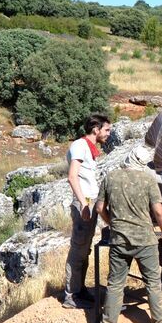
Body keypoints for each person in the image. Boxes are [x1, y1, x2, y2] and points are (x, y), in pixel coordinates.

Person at [95, 145, 162, 323]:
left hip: (119, 240)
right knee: (152, 283)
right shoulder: (148, 180)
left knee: (115, 283)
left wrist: (112, 223)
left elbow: (100, 207)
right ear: (143, 163)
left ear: (129, 157)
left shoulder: (111, 177)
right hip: (145, 240)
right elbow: (159, 212)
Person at [62, 114, 112, 310]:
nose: (109, 134)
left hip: (89, 202)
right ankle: (71, 296)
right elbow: (72, 176)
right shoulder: (80, 146)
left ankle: (79, 289)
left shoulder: (87, 148)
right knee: (79, 248)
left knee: (85, 248)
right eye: (106, 130)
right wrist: (83, 203)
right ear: (95, 129)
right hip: (85, 203)